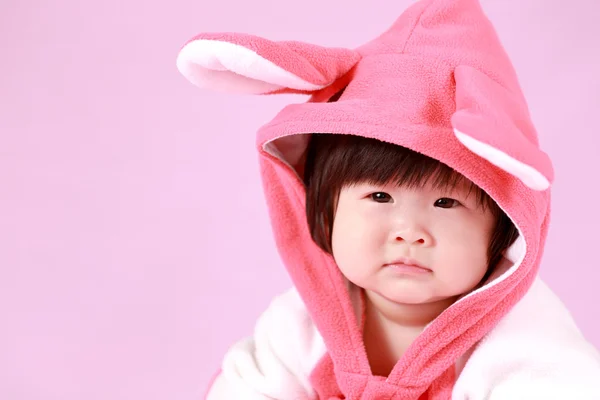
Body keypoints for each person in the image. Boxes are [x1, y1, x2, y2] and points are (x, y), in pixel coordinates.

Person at [176, 0, 600, 398]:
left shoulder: (527, 341)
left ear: (504, 228)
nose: (409, 233)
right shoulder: (301, 323)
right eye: (380, 195)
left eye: (446, 203)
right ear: (326, 209)